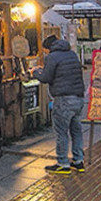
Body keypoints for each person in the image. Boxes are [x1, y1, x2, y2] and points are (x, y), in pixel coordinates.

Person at [33, 36, 86, 174]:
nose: (45, 53)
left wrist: (35, 72)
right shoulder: (72, 54)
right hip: (78, 97)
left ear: (48, 47)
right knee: (76, 130)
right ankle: (78, 161)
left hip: (63, 99)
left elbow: (46, 77)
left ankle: (63, 162)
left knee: (61, 132)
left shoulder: (52, 56)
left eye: (45, 50)